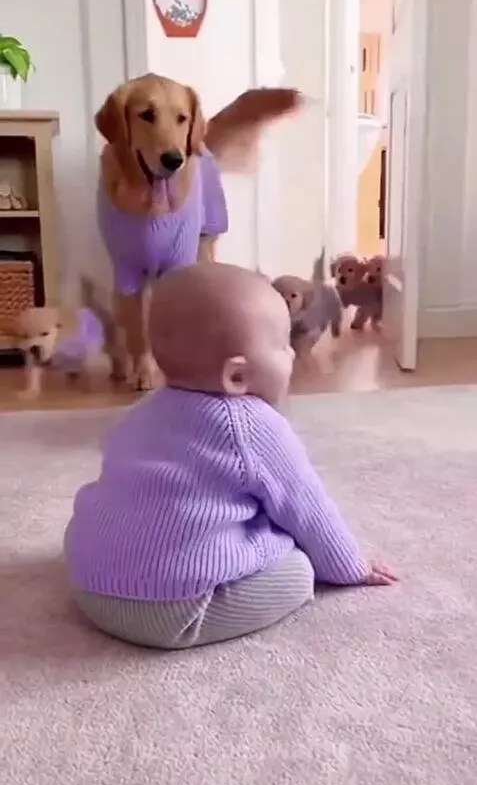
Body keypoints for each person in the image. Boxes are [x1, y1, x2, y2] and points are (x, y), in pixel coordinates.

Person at [64, 263, 397, 649]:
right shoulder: (252, 425)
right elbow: (307, 508)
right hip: (174, 612)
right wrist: (350, 567)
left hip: (90, 587)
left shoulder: (142, 411)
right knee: (299, 569)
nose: (291, 353)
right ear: (236, 377)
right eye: (282, 344)